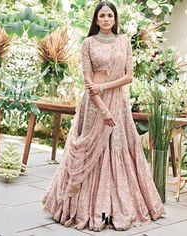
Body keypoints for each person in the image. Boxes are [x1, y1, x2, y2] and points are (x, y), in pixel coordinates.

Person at [42, 1, 165, 232]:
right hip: (93, 106)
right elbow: (88, 81)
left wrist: (105, 88)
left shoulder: (123, 41)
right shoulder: (88, 43)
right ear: (96, 20)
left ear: (115, 19)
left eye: (110, 15)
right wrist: (102, 108)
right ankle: (81, 208)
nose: (106, 19)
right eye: (102, 16)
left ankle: (113, 209)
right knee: (90, 150)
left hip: (117, 102)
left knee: (117, 149)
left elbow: (129, 76)